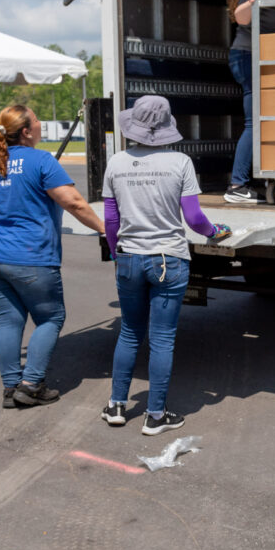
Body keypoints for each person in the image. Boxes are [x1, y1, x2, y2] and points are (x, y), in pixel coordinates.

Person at [101, 95, 231, 435]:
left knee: (130, 332)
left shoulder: (116, 162)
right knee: (162, 339)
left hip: (130, 256)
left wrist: (117, 253)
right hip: (168, 260)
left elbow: (111, 220)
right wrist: (214, 232)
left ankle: (116, 405)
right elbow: (193, 218)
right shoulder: (180, 163)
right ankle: (155, 415)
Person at [0, 103, 105, 409]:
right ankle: (31, 385)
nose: (41, 124)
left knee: (9, 321)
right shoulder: (41, 160)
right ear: (25, 131)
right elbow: (74, 203)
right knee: (51, 317)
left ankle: (11, 388)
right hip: (30, 256)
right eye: (36, 121)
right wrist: (105, 229)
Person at [224, 0, 275, 204]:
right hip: (249, 57)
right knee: (255, 123)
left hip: (262, 57)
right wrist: (252, 2)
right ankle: (237, 185)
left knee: (270, 120)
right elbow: (241, 17)